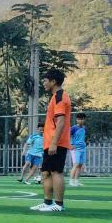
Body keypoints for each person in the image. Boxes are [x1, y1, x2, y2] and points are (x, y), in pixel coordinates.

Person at [32, 69, 70, 213]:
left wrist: (54, 142)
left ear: (53, 81)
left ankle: (59, 205)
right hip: (49, 142)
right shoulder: (55, 97)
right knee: (45, 173)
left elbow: (61, 121)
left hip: (57, 142)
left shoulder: (60, 97)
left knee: (56, 172)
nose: (44, 83)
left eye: (46, 81)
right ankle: (47, 202)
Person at [68, 113, 88, 186]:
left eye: (82, 119)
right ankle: (71, 181)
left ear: (84, 120)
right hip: (75, 149)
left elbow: (82, 137)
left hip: (83, 148)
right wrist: (70, 145)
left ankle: (76, 181)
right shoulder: (73, 128)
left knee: (80, 165)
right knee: (75, 165)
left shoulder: (84, 128)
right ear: (76, 120)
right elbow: (67, 136)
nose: (80, 121)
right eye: (79, 119)